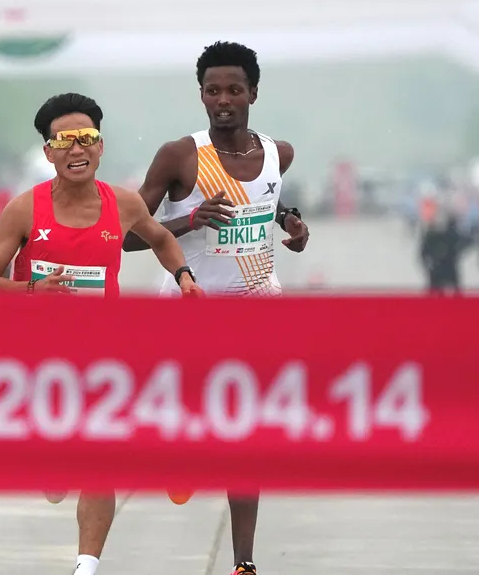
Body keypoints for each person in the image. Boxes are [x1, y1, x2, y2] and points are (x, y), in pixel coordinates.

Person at [0, 92, 202, 575]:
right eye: (65, 141)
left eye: (86, 139)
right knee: (56, 481)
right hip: (41, 362)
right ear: (49, 152)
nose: (76, 150)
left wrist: (184, 277)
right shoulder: (23, 209)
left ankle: (86, 566)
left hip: (104, 357)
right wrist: (34, 289)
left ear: (100, 147)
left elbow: (160, 237)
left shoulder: (122, 204)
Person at [122, 41, 311, 575]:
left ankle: (244, 563)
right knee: (191, 416)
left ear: (253, 92)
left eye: (234, 90)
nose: (223, 100)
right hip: (191, 306)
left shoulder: (280, 153)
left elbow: (267, 206)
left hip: (257, 307)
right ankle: (181, 453)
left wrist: (291, 227)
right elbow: (127, 237)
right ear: (201, 95)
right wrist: (189, 222)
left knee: (246, 436)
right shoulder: (180, 155)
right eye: (213, 90)